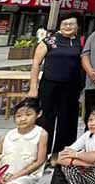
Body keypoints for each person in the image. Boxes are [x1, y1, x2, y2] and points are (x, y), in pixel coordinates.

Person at [28, 13, 83, 156]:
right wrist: (33, 87)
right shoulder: (49, 41)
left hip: (71, 87)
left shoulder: (80, 42)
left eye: (71, 24)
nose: (68, 27)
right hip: (49, 85)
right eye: (65, 24)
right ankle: (42, 154)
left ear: (77, 26)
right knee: (46, 119)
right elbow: (36, 64)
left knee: (68, 121)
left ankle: (60, 154)